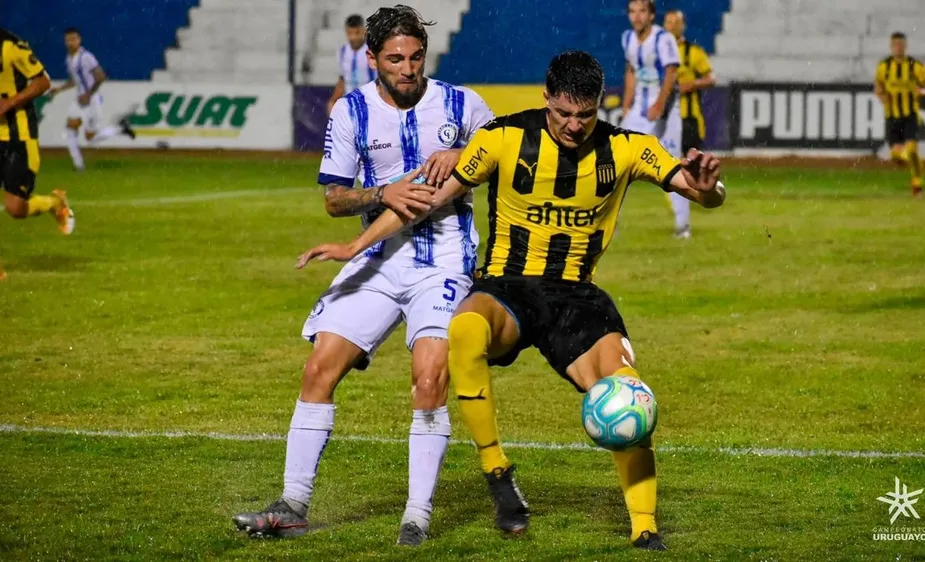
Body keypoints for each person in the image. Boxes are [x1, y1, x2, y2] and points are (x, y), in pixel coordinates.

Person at [297, 50, 726, 551]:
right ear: (547, 100)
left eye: (584, 116)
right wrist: (354, 246)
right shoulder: (503, 138)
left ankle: (645, 528)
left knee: (628, 392)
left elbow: (701, 192)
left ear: (597, 107)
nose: (572, 125)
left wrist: (707, 187)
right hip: (507, 287)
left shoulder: (629, 148)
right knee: (463, 328)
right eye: (563, 113)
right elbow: (429, 199)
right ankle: (498, 472)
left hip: (576, 297)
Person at [232, 5, 493, 546]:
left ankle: (416, 515)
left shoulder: (463, 104)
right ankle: (293, 504)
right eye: (395, 58)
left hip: (442, 261)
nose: (408, 68)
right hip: (377, 259)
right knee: (318, 368)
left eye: (416, 57)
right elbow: (334, 199)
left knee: (429, 379)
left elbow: (500, 154)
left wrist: (466, 152)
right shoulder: (350, 111)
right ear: (370, 58)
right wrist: (380, 194)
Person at [0, 28, 75, 280]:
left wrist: (9, 103)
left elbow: (42, 81)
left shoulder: (11, 46)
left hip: (18, 135)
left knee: (16, 208)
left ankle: (55, 203)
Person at [620, 0, 690, 239]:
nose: (637, 16)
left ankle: (683, 226)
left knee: (671, 166)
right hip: (639, 110)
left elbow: (671, 72)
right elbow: (630, 70)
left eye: (642, 12)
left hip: (665, 111)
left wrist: (659, 104)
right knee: (618, 161)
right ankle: (608, 223)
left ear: (651, 16)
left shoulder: (663, 39)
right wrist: (626, 104)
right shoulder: (628, 38)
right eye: (633, 11)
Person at [47, 28, 135, 172]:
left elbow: (100, 76)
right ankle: (78, 165)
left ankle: (119, 129)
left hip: (92, 100)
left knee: (90, 138)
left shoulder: (86, 57)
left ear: (79, 40)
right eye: (68, 39)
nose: (71, 42)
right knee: (70, 129)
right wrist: (59, 89)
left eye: (73, 39)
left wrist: (88, 94)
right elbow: (74, 80)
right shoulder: (69, 58)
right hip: (80, 100)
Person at [874, 32, 925, 197]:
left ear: (905, 46)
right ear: (891, 46)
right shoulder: (883, 67)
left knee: (912, 150)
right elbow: (878, 89)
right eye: (895, 44)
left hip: (910, 116)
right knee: (896, 156)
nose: (898, 47)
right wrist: (882, 97)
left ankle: (917, 185)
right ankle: (917, 168)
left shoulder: (915, 66)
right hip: (892, 116)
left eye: (900, 44)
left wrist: (922, 90)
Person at [664, 10, 715, 158]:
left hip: (688, 117)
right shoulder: (655, 52)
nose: (673, 26)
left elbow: (711, 79)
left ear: (683, 26)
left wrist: (691, 85)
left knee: (691, 162)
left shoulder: (693, 52)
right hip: (663, 116)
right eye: (669, 22)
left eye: (677, 22)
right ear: (664, 25)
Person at [325, 14, 377, 116]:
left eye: (357, 33)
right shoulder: (342, 52)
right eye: (350, 33)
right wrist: (334, 99)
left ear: (364, 31)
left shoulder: (373, 50)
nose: (353, 37)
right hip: (350, 103)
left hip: (371, 103)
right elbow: (342, 79)